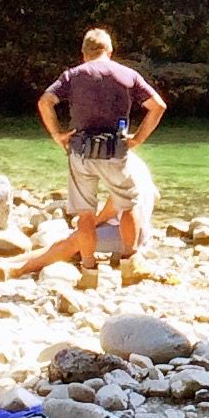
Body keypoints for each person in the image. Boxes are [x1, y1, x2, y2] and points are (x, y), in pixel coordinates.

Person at [12, 28, 168, 280]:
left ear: (84, 53)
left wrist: (57, 134)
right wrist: (138, 138)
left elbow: (44, 102)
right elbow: (158, 106)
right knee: (128, 204)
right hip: (115, 150)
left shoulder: (72, 75)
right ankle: (129, 263)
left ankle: (88, 271)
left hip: (81, 151)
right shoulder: (127, 74)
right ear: (110, 51)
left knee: (85, 214)